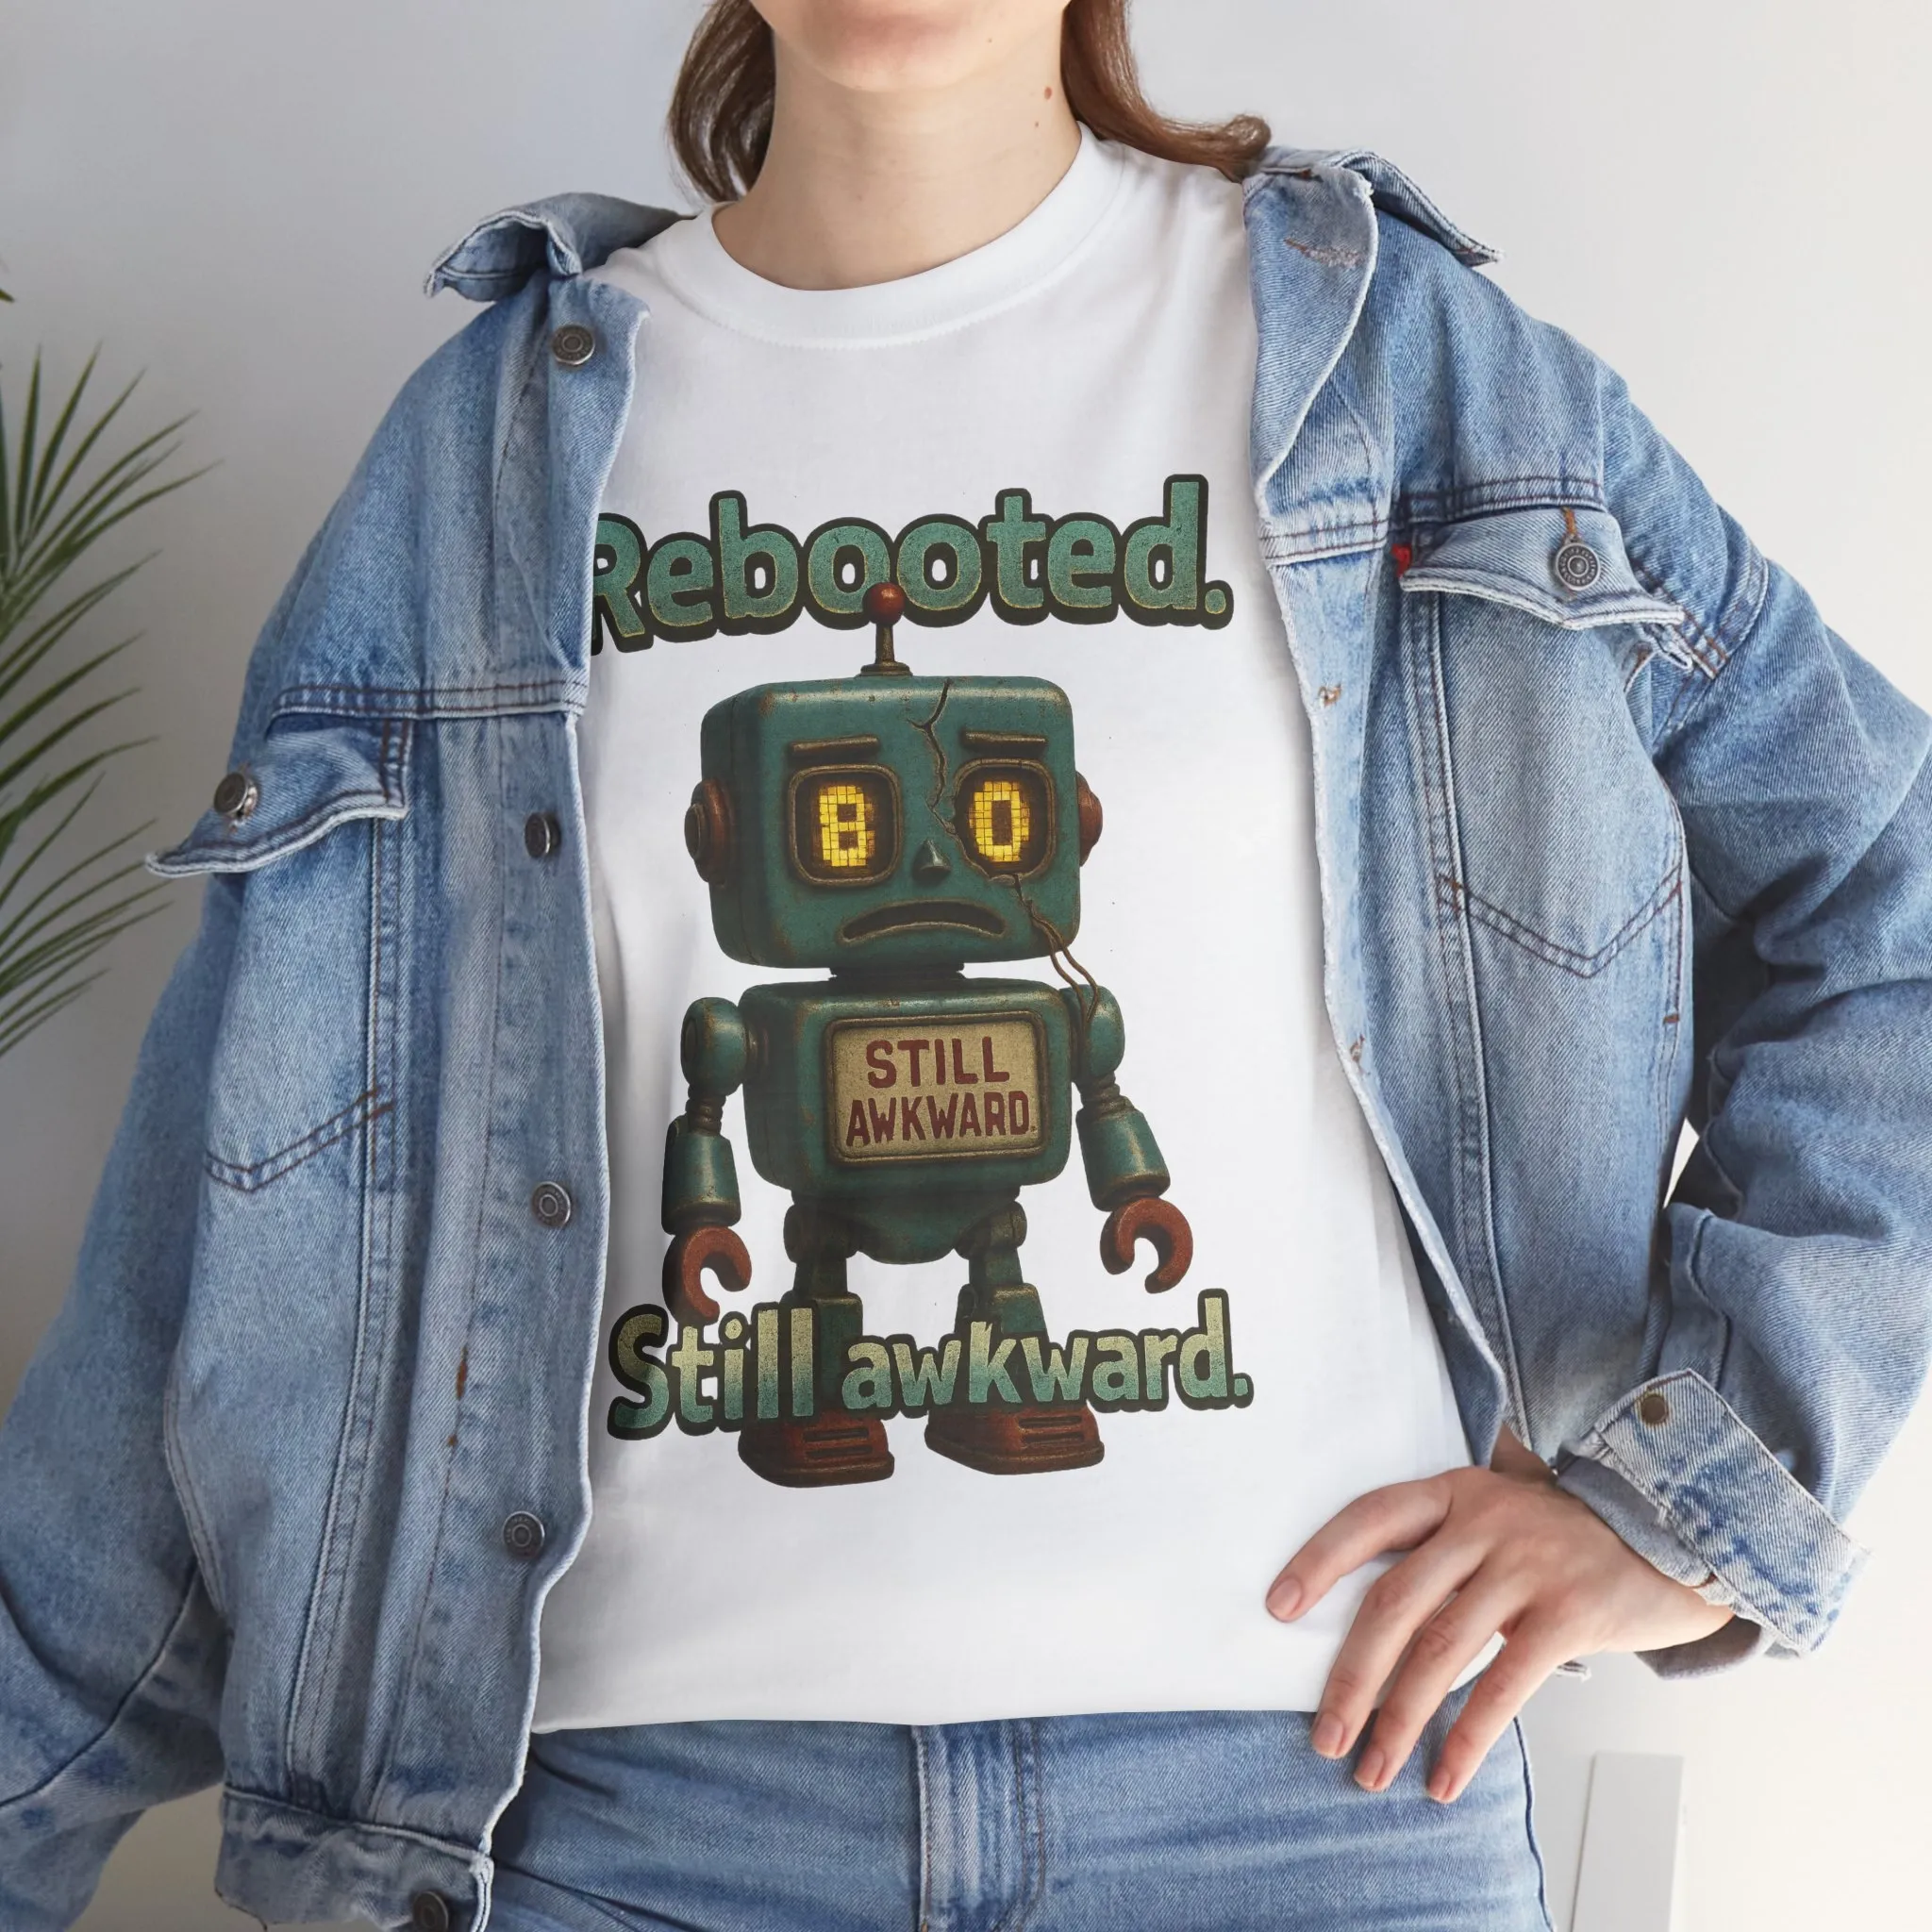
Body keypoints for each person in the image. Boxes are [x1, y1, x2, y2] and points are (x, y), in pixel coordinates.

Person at [3, 1, 1927, 1928]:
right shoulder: (479, 460)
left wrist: (1698, 1501)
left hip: (1314, 1795)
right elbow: (235, 1232)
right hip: (635, 1827)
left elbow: (1881, 894)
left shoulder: (1407, 376)